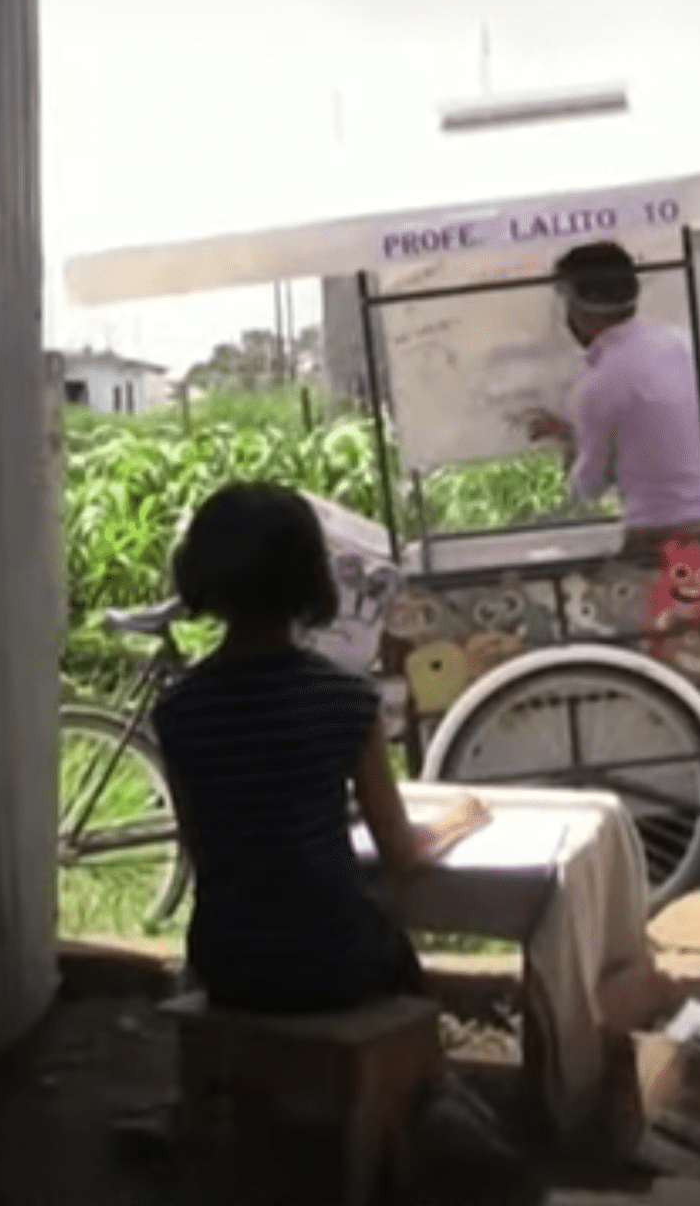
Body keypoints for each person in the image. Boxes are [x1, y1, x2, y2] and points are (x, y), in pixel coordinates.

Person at [149, 482, 520, 1167]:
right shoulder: (344, 699)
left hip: (225, 962)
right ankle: (426, 1097)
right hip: (333, 965)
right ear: (312, 580)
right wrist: (457, 820)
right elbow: (402, 857)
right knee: (392, 947)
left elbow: (213, 849)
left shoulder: (179, 713)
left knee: (253, 931)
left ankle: (202, 1110)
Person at [524, 240, 700, 553]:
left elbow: (587, 489)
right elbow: (651, 437)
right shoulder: (680, 344)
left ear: (576, 308)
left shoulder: (599, 385)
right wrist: (578, 433)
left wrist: (571, 447)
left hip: (660, 542)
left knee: (665, 605)